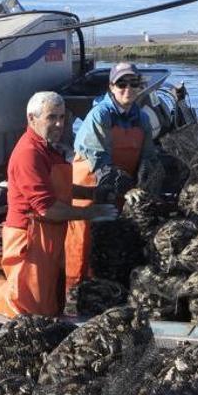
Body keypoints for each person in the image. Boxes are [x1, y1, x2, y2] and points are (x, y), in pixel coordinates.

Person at [0, 91, 117, 318]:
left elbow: (60, 190)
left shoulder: (51, 149)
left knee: (52, 307)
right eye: (51, 117)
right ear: (32, 119)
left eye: (62, 117)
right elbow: (46, 207)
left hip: (53, 233)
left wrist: (94, 193)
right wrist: (90, 212)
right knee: (28, 310)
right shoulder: (28, 154)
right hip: (30, 236)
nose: (59, 124)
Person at [66, 62, 155, 289]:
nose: (128, 88)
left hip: (121, 192)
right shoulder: (100, 115)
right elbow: (100, 162)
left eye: (133, 83)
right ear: (111, 87)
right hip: (89, 188)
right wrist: (128, 189)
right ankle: (74, 289)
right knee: (82, 243)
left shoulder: (141, 119)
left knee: (112, 243)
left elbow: (147, 157)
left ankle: (106, 287)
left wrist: (144, 182)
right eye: (121, 83)